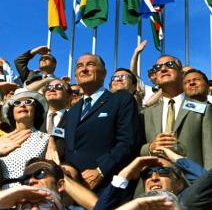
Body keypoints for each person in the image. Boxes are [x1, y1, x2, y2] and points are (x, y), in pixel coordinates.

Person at [64, 53, 142, 196]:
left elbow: (128, 142)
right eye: (80, 66)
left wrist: (101, 170)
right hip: (74, 190)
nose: (84, 69)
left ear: (104, 73)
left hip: (108, 186)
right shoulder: (72, 111)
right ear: (75, 76)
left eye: (90, 65)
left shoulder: (121, 100)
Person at [140, 54, 212, 169]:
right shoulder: (145, 114)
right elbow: (133, 149)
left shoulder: (204, 109)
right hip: (155, 181)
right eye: (157, 68)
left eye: (169, 65)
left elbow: (210, 155)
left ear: (182, 74)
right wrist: (150, 148)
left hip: (193, 183)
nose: (163, 69)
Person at [0, 89, 56, 190]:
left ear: (36, 110)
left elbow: (52, 173)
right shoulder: (2, 140)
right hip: (6, 197)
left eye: (28, 102)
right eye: (17, 103)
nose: (22, 105)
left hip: (33, 195)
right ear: (11, 112)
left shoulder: (46, 138)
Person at [40, 79, 72, 162]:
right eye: (48, 87)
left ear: (68, 96)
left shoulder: (74, 118)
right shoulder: (35, 118)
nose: (52, 89)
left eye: (58, 86)